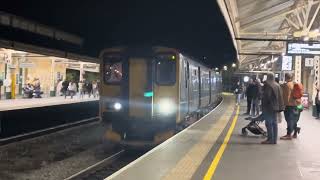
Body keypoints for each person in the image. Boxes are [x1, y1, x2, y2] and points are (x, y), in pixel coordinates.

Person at [261, 73, 284, 144]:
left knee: (269, 123)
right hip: (276, 107)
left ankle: (270, 139)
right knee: (274, 123)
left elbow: (267, 96)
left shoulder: (269, 85)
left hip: (269, 107)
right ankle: (274, 140)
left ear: (268, 77)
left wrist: (263, 104)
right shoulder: (277, 85)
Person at [281, 73, 303, 140]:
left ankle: (288, 135)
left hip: (289, 105)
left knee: (289, 120)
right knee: (294, 119)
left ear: (286, 78)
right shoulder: (297, 84)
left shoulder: (286, 85)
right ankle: (295, 132)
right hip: (298, 105)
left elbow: (284, 96)